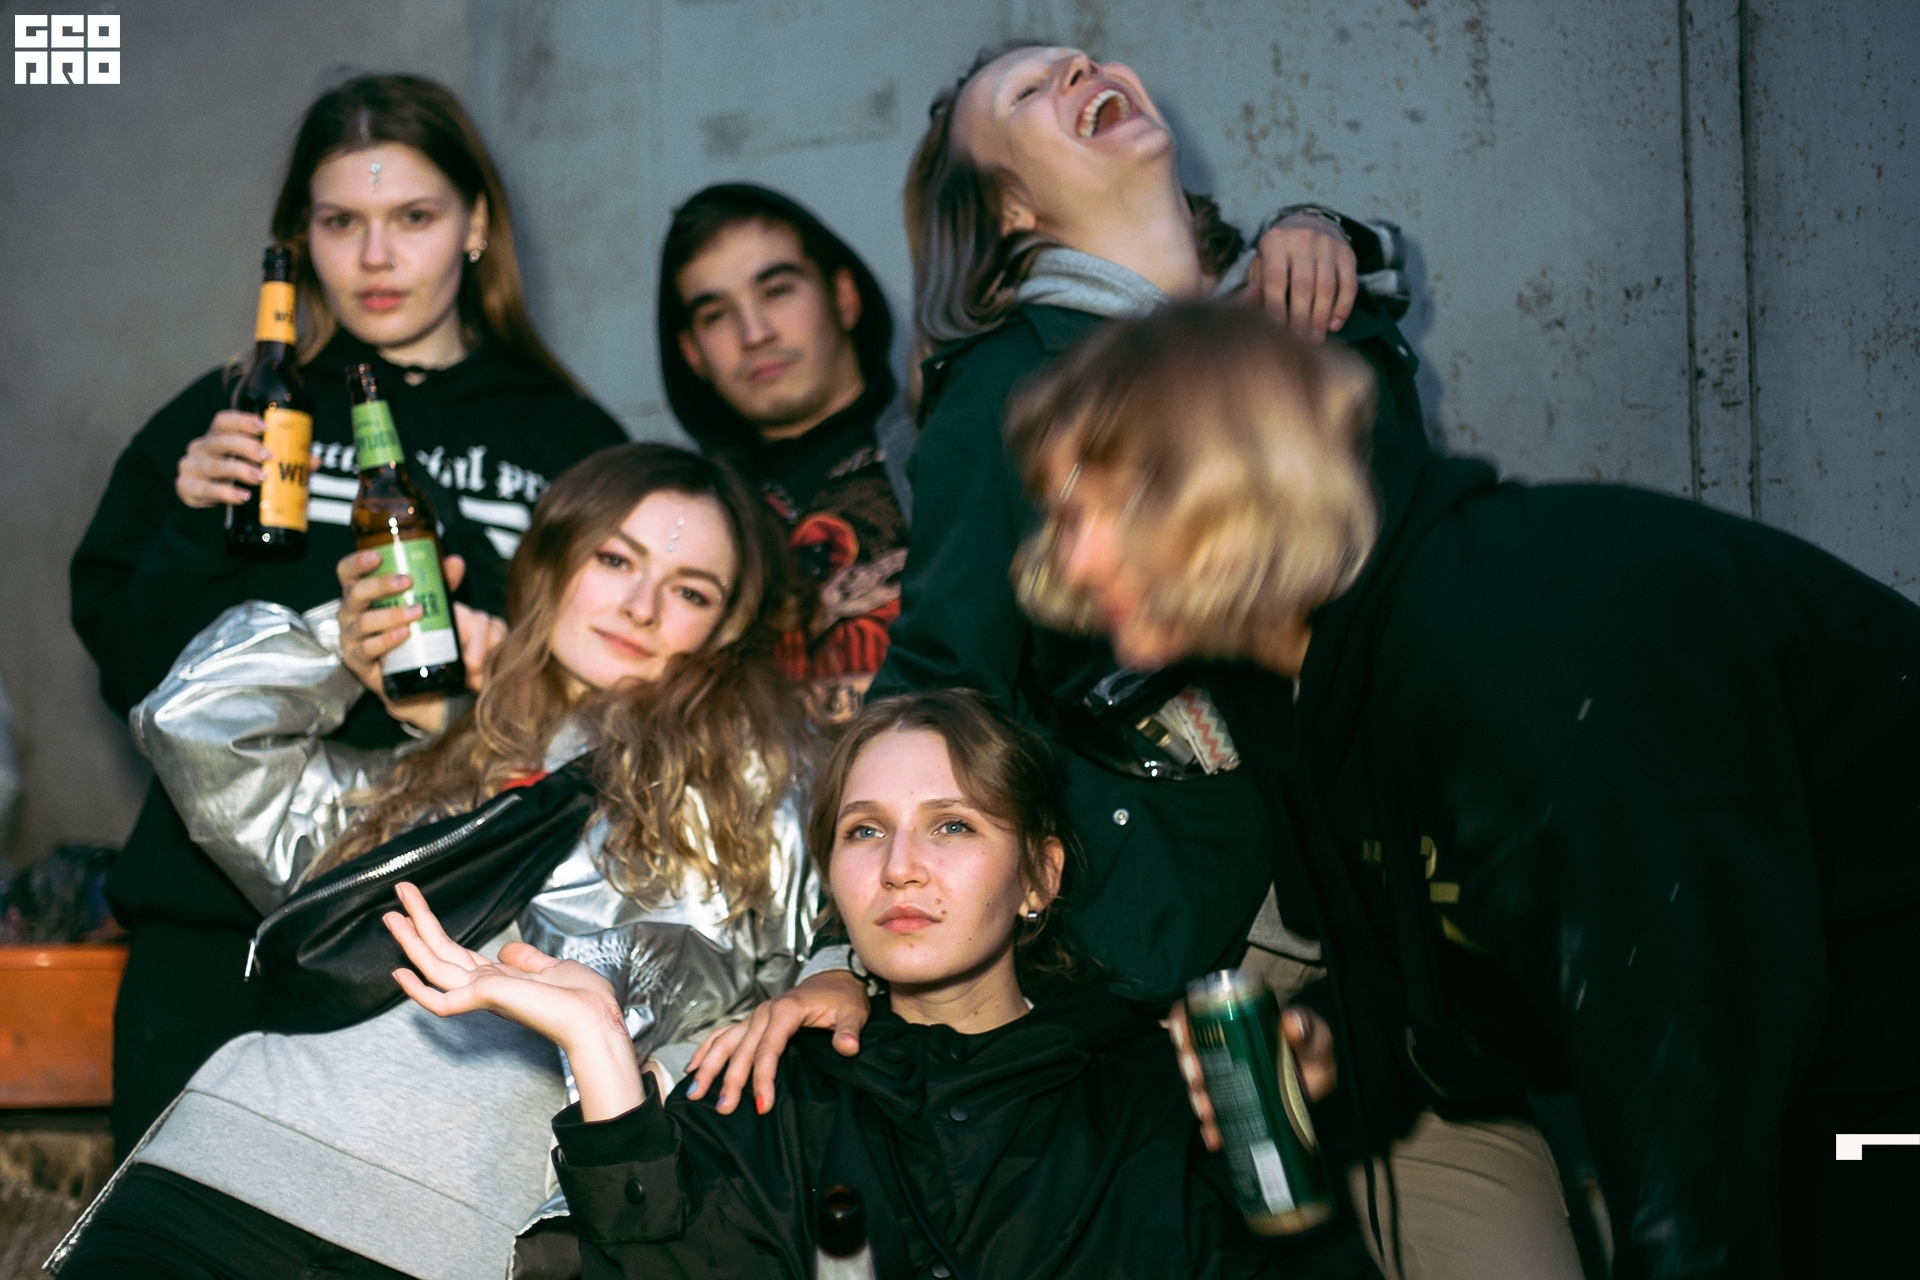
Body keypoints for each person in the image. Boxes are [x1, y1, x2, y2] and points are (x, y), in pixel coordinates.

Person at [1006, 301, 1920, 1280]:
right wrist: (1336, 1043)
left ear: (1228, 484)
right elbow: (1438, 967)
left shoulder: (1520, 632)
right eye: (1060, 515)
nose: (1072, 559)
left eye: (1099, 508)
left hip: (1873, 1074)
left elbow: (1690, 1041)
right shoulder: (1291, 679)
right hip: (1819, 1079)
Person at [52, 444, 817, 1280]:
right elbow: (192, 724)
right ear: (552, 564)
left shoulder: (758, 795)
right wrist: (347, 646)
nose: (640, 607)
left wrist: (820, 986)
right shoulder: (431, 758)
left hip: (450, 1233)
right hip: (223, 1165)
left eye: (690, 591)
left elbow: (815, 977)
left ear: (726, 629)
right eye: (614, 560)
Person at [69, 74, 631, 1156]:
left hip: (453, 937)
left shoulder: (567, 439)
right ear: (300, 239)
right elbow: (131, 672)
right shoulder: (234, 413)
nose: (377, 257)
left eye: (413, 217)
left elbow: (623, 699)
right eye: (341, 223)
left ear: (475, 226)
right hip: (212, 930)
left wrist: (487, 663)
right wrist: (192, 523)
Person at [383, 688, 1377, 1280]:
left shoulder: (1164, 1090)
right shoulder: (765, 1087)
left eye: (953, 825)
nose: (901, 867)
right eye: (865, 830)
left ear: (1039, 876)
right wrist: (602, 1050)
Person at [658, 184, 915, 720]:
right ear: (692, 353)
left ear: (844, 297)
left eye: (777, 290)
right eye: (715, 315)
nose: (754, 333)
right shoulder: (681, 520)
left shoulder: (946, 451)